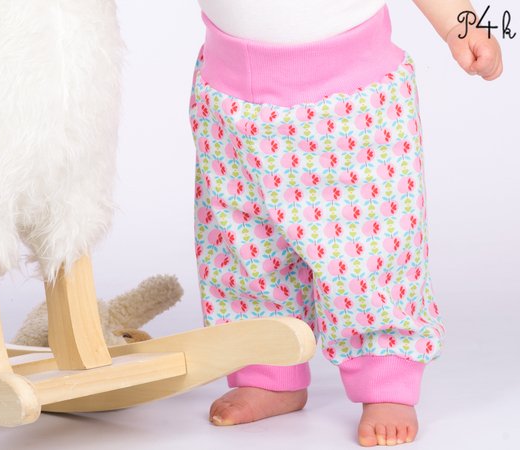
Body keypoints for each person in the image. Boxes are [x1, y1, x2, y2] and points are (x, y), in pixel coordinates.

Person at [189, 0, 503, 446]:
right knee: (245, 245)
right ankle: (267, 368)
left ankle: (385, 377)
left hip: (351, 104)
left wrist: (463, 24)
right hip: (229, 96)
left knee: (367, 253)